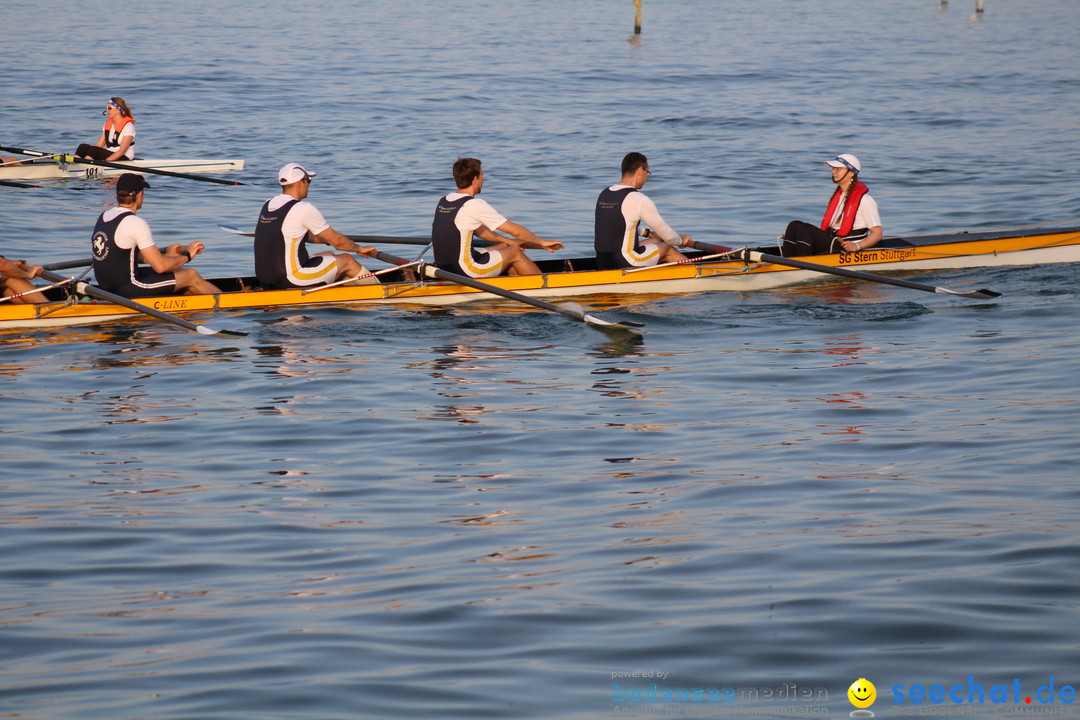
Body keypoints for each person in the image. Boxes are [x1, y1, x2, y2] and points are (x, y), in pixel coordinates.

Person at [91, 173, 221, 297]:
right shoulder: (135, 222)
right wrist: (187, 256)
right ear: (139, 195)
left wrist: (167, 254)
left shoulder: (104, 216)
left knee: (178, 276)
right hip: (128, 289)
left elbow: (126, 255)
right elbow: (161, 267)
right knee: (190, 275)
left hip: (107, 288)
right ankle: (230, 306)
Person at [254, 163, 379, 290]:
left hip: (266, 280)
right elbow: (338, 242)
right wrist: (359, 248)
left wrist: (332, 240)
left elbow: (305, 236)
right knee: (347, 260)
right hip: (292, 280)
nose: (308, 185)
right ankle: (380, 291)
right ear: (300, 182)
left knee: (329, 254)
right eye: (309, 181)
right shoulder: (303, 208)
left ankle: (348, 292)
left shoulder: (268, 204)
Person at [432, 157, 563, 277]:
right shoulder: (473, 205)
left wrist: (508, 241)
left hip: (444, 269)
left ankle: (518, 286)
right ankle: (544, 288)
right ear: (475, 179)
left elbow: (481, 232)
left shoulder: (445, 200)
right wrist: (541, 242)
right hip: (464, 270)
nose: (483, 179)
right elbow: (516, 231)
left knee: (506, 246)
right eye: (482, 175)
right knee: (515, 252)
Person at [594, 152, 691, 270]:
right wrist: (681, 241)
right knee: (667, 248)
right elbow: (669, 237)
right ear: (640, 171)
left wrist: (647, 233)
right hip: (625, 262)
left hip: (602, 260)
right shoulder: (639, 199)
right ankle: (697, 275)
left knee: (656, 240)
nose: (646, 178)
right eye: (647, 173)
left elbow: (616, 224)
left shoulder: (605, 193)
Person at [780, 153, 883, 256]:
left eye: (838, 169)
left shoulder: (865, 200)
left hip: (846, 249)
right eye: (833, 168)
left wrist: (857, 246)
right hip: (833, 242)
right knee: (795, 226)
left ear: (851, 173)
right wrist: (794, 236)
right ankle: (787, 261)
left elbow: (877, 234)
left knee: (806, 230)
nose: (833, 172)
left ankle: (800, 265)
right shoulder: (838, 197)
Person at [75, 97, 136, 162]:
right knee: (83, 147)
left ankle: (86, 167)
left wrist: (106, 162)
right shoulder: (108, 124)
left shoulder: (128, 127)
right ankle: (74, 165)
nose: (107, 110)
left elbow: (121, 151)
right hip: (111, 153)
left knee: (94, 150)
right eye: (107, 108)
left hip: (124, 156)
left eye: (109, 108)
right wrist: (89, 152)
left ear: (118, 110)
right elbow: (99, 145)